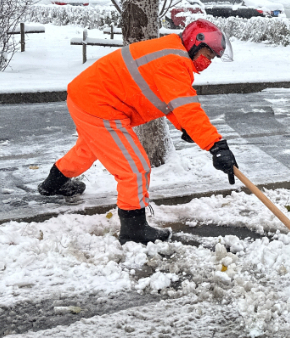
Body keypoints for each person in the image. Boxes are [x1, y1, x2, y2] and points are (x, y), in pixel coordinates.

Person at [37, 19, 239, 244]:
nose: (208, 61)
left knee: (88, 149)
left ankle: (53, 184)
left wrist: (186, 127)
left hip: (87, 97)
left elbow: (168, 99)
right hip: (100, 105)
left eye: (212, 58)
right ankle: (134, 229)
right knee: (135, 168)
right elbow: (187, 107)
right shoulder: (173, 61)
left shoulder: (170, 52)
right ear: (195, 43)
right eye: (208, 54)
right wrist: (216, 145)